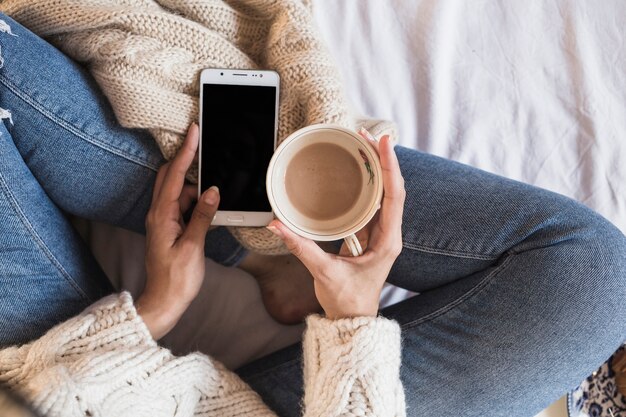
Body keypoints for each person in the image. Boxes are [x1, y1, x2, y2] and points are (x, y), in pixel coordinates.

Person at [1, 12, 625, 417]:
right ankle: (259, 240)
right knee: (596, 279)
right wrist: (351, 323)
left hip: (68, 376)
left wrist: (159, 307)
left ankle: (250, 236)